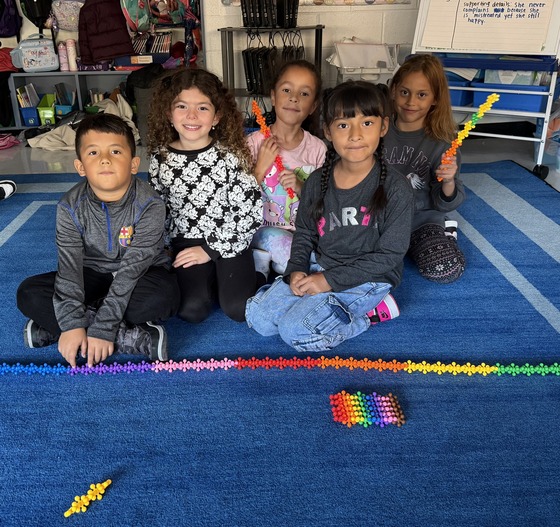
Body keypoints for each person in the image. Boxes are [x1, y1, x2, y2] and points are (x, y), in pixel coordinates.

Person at [245, 80, 414, 352]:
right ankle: (317, 304)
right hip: (320, 264)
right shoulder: (316, 181)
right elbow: (305, 233)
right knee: (259, 320)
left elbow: (390, 255)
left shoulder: (396, 187)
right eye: (343, 125)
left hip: (369, 278)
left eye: (367, 123)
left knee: (294, 332)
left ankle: (368, 315)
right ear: (328, 131)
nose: (355, 135)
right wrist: (297, 269)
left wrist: (327, 282)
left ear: (383, 126)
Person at [17, 113, 180, 367]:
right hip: (92, 273)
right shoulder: (69, 207)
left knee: (164, 296)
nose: (105, 159)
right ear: (80, 166)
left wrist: (102, 327)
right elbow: (69, 269)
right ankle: (125, 336)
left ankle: (68, 328)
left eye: (115, 151)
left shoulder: (150, 204)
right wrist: (72, 324)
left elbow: (133, 268)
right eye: (93, 153)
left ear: (134, 164)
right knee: (29, 293)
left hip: (140, 275)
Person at [147, 67, 262, 323]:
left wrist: (210, 249)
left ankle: (259, 272)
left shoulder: (230, 156)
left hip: (229, 237)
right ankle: (212, 282)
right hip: (185, 242)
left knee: (239, 309)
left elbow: (249, 212)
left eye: (202, 108)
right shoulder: (160, 158)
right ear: (168, 112)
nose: (191, 115)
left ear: (217, 117)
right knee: (191, 310)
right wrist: (163, 248)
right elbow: (157, 210)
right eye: (181, 107)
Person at [385, 54, 466, 284]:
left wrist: (448, 181)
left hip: (422, 220)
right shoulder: (376, 131)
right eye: (404, 92)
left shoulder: (443, 143)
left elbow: (446, 201)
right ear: (393, 91)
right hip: (380, 221)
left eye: (422, 95)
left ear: (435, 99)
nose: (411, 102)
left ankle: (445, 232)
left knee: (446, 270)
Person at [246, 59, 327, 280]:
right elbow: (236, 199)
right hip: (263, 229)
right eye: (287, 90)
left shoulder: (318, 149)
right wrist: (261, 167)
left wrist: (302, 187)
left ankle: (271, 264)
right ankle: (314, 273)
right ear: (273, 96)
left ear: (313, 106)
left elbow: (323, 201)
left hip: (303, 233)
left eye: (304, 93)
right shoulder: (253, 144)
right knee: (292, 249)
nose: (294, 98)